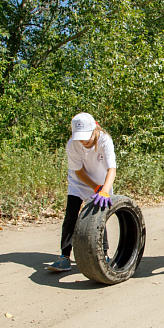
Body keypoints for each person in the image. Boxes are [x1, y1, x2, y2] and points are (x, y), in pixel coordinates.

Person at [47, 112, 117, 272]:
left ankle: (104, 256)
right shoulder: (72, 144)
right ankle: (64, 257)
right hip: (80, 182)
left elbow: (111, 169)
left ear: (95, 130)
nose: (84, 141)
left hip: (102, 182)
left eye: (87, 137)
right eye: (81, 138)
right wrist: (94, 187)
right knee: (71, 214)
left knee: (98, 216)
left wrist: (103, 190)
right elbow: (78, 171)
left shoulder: (105, 140)